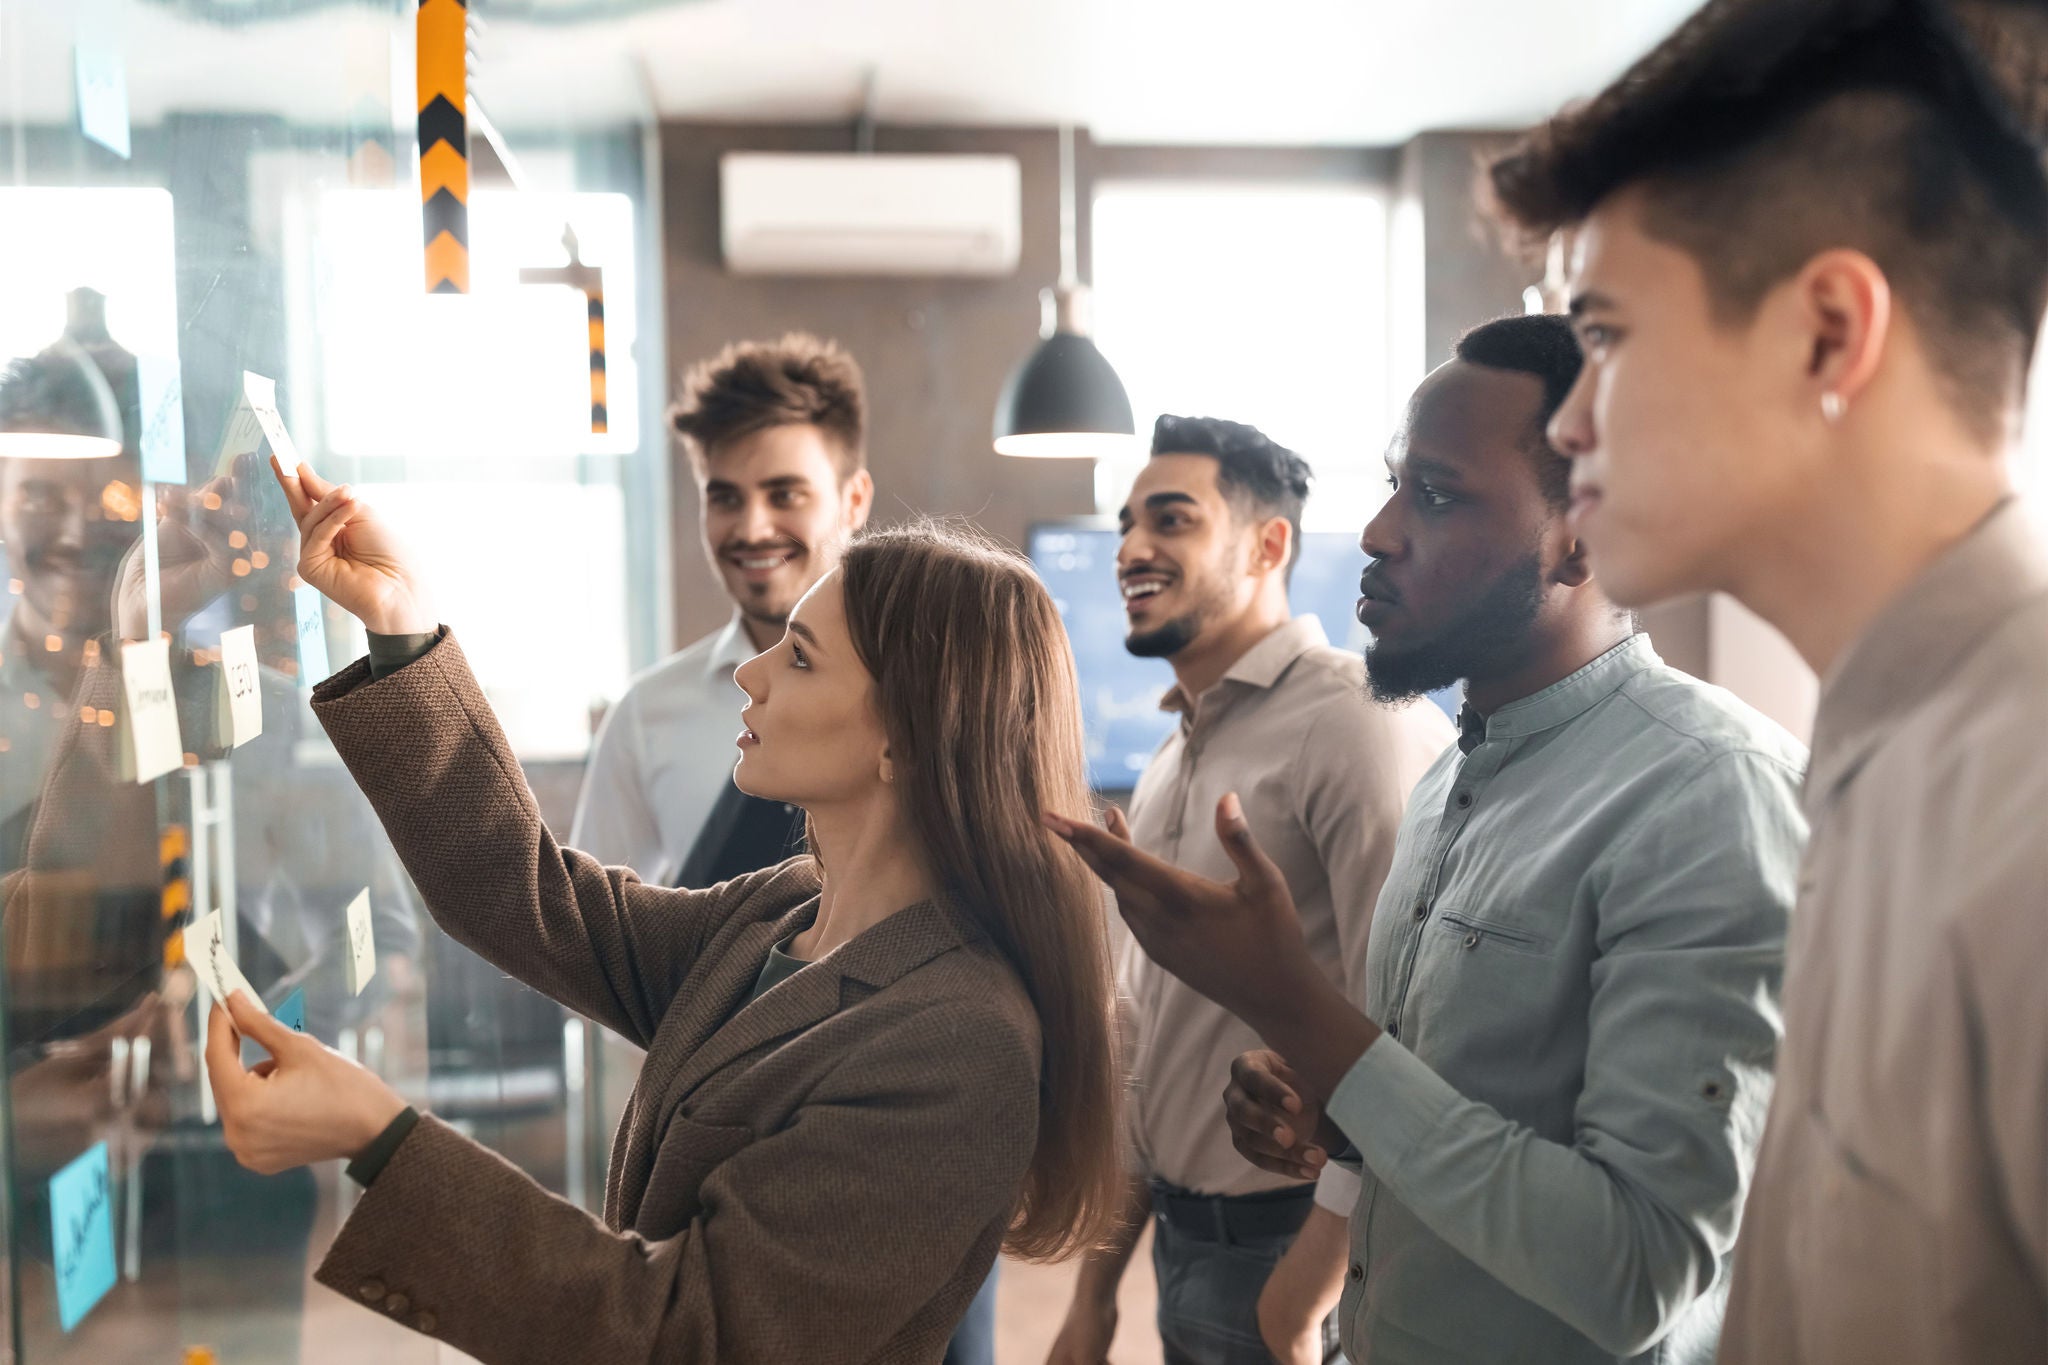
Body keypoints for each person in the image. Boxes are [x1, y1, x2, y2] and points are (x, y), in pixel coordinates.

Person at [204, 456, 1123, 1363]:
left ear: (903, 742)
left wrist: (380, 1137)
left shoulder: (961, 1046)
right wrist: (401, 626)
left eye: (799, 657)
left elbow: (689, 1335)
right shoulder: (779, 911)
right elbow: (528, 897)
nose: (750, 674)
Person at [1046, 313, 1810, 1364]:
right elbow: (1454, 1113)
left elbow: (1637, 1275)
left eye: (1438, 495)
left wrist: (1295, 1008)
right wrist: (1329, 1115)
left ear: (1583, 529)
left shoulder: (1709, 792)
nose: (1376, 532)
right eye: (1394, 484)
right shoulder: (1454, 774)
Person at [1484, 1, 2048, 1360]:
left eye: (1605, 335)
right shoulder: (1881, 755)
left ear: (1826, 334)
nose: (1567, 420)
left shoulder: (2022, 803)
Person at [1049, 416, 1449, 1365]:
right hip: (1187, 1250)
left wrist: (1300, 1296)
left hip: (1304, 1254)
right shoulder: (1166, 759)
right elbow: (1148, 1036)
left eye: (1172, 521)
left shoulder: (1354, 719)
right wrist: (1095, 1292)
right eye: (1127, 523)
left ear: (1269, 545)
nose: (1132, 549)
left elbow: (1416, 1031)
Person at [572, 333, 874, 885]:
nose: (752, 529)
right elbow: (587, 934)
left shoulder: (922, 696)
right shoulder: (645, 716)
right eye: (725, 497)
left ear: (853, 499)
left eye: (785, 494)